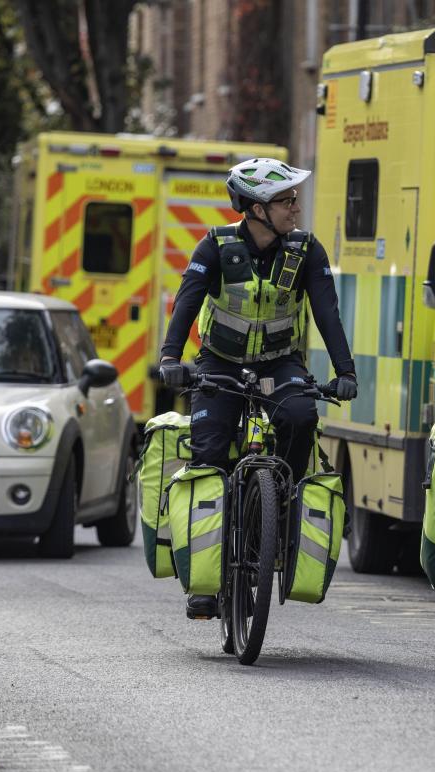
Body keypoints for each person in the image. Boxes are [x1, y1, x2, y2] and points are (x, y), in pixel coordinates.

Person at [158, 158, 357, 618]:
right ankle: (205, 580)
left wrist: (345, 372)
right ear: (256, 209)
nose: (296, 209)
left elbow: (327, 313)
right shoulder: (216, 246)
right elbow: (187, 302)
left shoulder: (306, 251)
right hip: (219, 363)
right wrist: (170, 359)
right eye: (287, 201)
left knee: (301, 417)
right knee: (208, 454)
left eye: (294, 199)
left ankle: (279, 508)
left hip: (280, 363)